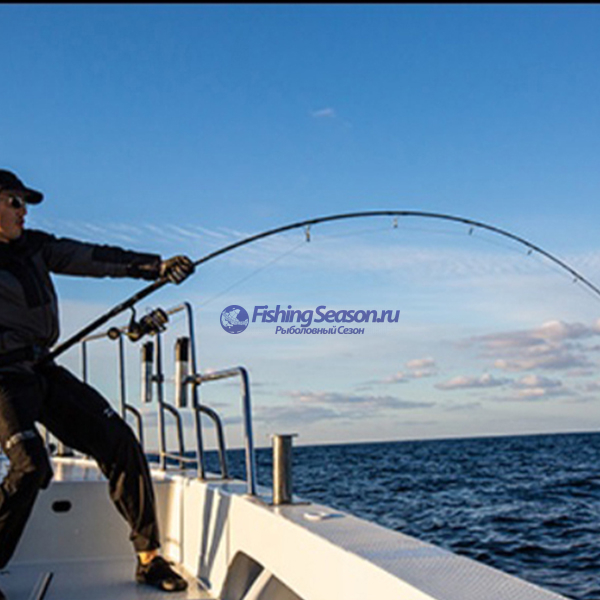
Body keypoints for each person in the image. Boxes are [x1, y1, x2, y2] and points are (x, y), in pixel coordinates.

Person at [0, 169, 195, 593]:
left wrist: (156, 267)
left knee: (120, 441)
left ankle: (149, 559)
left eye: (25, 203)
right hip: (3, 379)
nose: (23, 211)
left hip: (41, 368)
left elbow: (91, 257)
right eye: (15, 201)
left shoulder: (35, 247)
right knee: (30, 465)